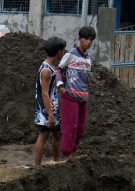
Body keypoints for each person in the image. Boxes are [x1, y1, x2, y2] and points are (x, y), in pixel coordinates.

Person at [58, 26, 96, 158]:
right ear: (80, 39)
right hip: (71, 96)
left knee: (80, 129)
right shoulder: (70, 55)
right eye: (86, 39)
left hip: (83, 97)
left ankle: (72, 154)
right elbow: (59, 70)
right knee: (70, 128)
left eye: (91, 39)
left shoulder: (89, 59)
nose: (89, 42)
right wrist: (61, 88)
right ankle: (67, 156)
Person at [33, 37, 66, 169]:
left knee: (57, 133)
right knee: (44, 134)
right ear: (58, 51)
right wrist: (50, 115)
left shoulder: (52, 67)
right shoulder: (46, 70)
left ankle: (56, 161)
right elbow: (44, 93)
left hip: (53, 106)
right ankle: (37, 166)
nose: (63, 53)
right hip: (46, 108)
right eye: (62, 50)